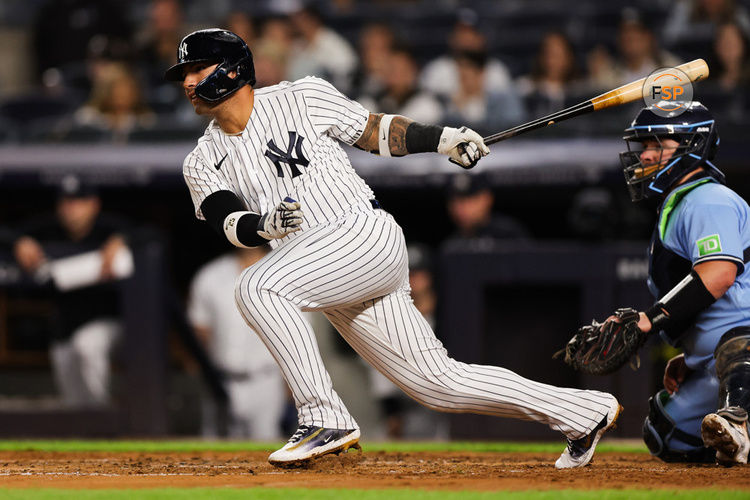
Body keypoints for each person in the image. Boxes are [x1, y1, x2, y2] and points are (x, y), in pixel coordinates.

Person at [165, 28, 620, 469]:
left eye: (197, 68)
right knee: (438, 384)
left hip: (361, 233)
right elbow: (229, 221)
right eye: (183, 73)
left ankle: (322, 416)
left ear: (231, 69)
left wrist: (443, 139)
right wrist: (262, 224)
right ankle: (580, 412)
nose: (187, 82)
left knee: (257, 287)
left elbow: (375, 131)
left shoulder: (300, 96)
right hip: (317, 269)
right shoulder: (201, 160)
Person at [617, 102, 750, 465]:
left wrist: (649, 320)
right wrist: (694, 360)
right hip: (724, 350)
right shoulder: (683, 202)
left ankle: (739, 418)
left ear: (691, 146)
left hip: (742, 342)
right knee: (667, 433)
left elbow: (719, 274)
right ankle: (736, 417)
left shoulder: (708, 200)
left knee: (740, 346)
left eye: (656, 143)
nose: (643, 155)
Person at [12, 176, 130, 407]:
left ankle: (101, 417)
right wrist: (19, 241)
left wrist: (123, 239)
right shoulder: (48, 229)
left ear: (94, 204)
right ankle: (81, 428)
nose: (71, 209)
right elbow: (8, 232)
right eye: (66, 203)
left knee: (87, 344)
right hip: (64, 326)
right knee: (71, 396)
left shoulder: (111, 228)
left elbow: (151, 233)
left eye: (78, 202)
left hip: (109, 322)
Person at [188, 245, 286, 440]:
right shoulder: (211, 275)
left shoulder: (282, 272)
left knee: (267, 445)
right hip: (221, 379)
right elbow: (200, 330)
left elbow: (297, 334)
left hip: (265, 379)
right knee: (214, 448)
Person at [446, 173, 529, 241]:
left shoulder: (509, 236)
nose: (462, 208)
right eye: (456, 201)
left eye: (470, 200)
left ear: (487, 199)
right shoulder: (452, 244)